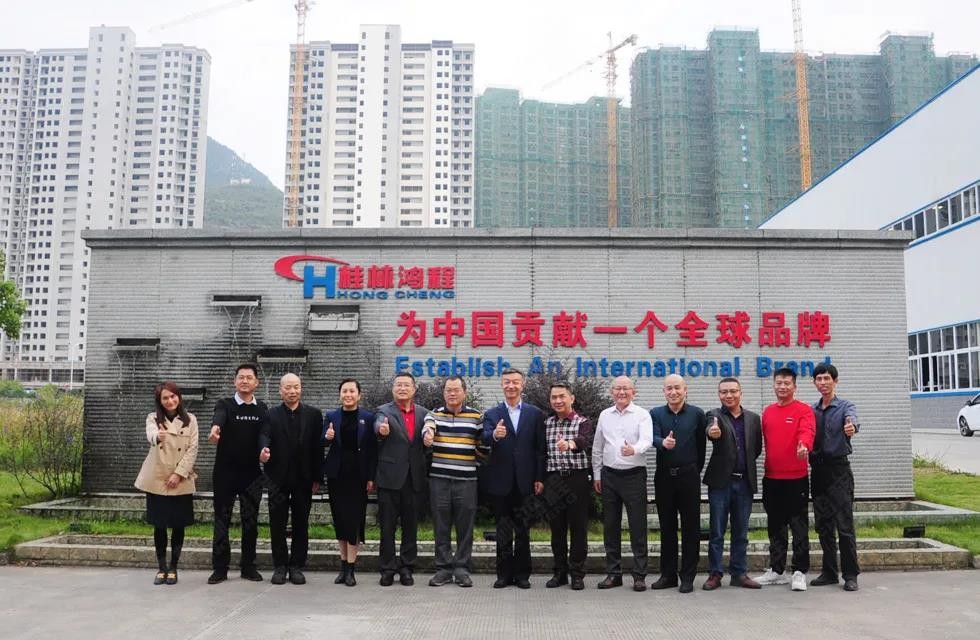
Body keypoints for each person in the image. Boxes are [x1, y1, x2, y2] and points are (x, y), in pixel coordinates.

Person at [481, 368, 546, 589]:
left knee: (523, 530)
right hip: (501, 480)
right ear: (502, 385)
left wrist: (539, 477)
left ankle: (523, 574)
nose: (511, 386)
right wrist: (494, 435)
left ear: (522, 384)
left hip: (526, 480)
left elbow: (540, 449)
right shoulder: (492, 413)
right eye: (507, 382)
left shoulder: (534, 413)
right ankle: (503, 574)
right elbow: (484, 438)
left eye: (515, 382)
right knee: (503, 530)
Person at [258, 373, 324, 586]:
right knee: (276, 523)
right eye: (288, 387)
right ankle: (280, 566)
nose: (292, 391)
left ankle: (296, 566)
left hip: (304, 479)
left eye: (296, 387)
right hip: (277, 478)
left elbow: (317, 448)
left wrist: (318, 477)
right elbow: (264, 435)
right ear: (280, 390)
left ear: (301, 388)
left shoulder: (314, 415)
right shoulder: (270, 414)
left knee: (301, 523)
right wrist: (263, 450)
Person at [756, 367, 816, 592]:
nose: (782, 387)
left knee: (798, 526)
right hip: (771, 478)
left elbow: (807, 431)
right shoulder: (768, 412)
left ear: (794, 386)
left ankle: (799, 571)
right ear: (774, 385)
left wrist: (804, 445)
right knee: (775, 525)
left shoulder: (803, 410)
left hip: (796, 478)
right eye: (779, 383)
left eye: (787, 383)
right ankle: (777, 570)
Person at [207, 363, 267, 585]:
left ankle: (248, 566)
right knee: (221, 520)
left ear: (256, 382)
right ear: (235, 381)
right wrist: (215, 429)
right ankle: (219, 568)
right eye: (241, 377)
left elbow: (264, 434)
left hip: (252, 474)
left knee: (250, 521)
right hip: (225, 473)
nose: (244, 381)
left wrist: (264, 449)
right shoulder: (225, 404)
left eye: (249, 377)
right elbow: (219, 418)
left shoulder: (262, 408)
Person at [592, 375, 653, 592]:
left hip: (634, 475)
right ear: (612, 392)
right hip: (609, 476)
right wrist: (597, 474)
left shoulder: (642, 414)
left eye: (626, 388)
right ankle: (613, 573)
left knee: (638, 527)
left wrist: (633, 449)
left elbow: (647, 440)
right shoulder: (604, 415)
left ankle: (639, 575)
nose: (621, 392)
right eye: (617, 388)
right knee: (611, 526)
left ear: (633, 392)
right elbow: (598, 446)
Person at [134, 381, 198, 586]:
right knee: (159, 525)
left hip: (180, 479)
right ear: (159, 401)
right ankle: (161, 568)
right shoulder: (153, 418)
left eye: (173, 396)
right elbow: (151, 434)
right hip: (158, 478)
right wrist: (157, 436)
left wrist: (179, 474)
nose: (170, 401)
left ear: (179, 397)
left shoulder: (190, 420)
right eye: (165, 398)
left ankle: (173, 568)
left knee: (178, 525)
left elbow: (193, 449)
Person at [702, 377, 763, 590]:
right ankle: (715, 574)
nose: (729, 395)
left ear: (740, 392)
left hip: (744, 482)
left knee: (741, 532)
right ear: (719, 394)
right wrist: (713, 432)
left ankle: (739, 573)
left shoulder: (753, 418)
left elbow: (756, 449)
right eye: (724, 392)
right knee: (717, 532)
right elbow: (711, 430)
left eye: (733, 391)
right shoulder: (714, 415)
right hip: (721, 483)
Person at [422, 376, 483, 588]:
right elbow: (427, 428)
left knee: (465, 527)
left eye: (456, 390)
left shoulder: (476, 417)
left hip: (467, 481)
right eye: (448, 390)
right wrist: (428, 435)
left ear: (464, 392)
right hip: (439, 480)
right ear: (444, 393)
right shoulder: (434, 414)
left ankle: (462, 569)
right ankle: (443, 569)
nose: (452, 393)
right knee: (441, 526)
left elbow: (484, 447)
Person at [650, 374, 707, 593]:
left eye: (677, 388)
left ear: (685, 390)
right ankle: (668, 575)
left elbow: (701, 447)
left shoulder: (697, 414)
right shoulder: (655, 413)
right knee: (667, 527)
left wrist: (692, 469)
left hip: (689, 477)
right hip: (664, 477)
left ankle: (688, 576)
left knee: (691, 528)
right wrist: (662, 442)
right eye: (669, 388)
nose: (673, 392)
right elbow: (652, 437)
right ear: (663, 392)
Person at [374, 372, 429, 586]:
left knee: (410, 526)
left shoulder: (424, 413)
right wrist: (382, 430)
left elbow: (428, 439)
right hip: (389, 479)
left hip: (414, 479)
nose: (402, 388)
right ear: (393, 389)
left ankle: (407, 567)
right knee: (387, 527)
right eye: (399, 385)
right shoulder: (383, 411)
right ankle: (387, 568)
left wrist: (430, 439)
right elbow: (378, 425)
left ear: (414, 389)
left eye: (407, 385)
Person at [809, 363, 861, 592]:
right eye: (819, 379)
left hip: (839, 471)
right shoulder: (812, 410)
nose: (823, 383)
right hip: (817, 471)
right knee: (823, 525)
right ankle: (829, 572)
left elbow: (852, 421)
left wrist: (851, 428)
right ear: (814, 382)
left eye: (827, 378)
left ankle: (850, 574)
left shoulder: (845, 406)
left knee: (844, 525)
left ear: (835, 381)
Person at [323, 378, 377, 587]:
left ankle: (352, 569)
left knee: (354, 521)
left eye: (352, 391)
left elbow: (372, 450)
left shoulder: (368, 418)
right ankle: (343, 566)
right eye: (344, 391)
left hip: (358, 476)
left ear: (359, 395)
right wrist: (327, 437)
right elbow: (322, 441)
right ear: (340, 394)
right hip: (337, 476)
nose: (348, 394)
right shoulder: (331, 416)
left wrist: (371, 477)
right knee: (340, 520)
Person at [542, 382, 594, 591]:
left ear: (571, 398)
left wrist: (569, 445)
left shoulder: (583, 422)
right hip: (554, 479)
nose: (558, 400)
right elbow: (540, 453)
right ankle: (560, 573)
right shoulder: (546, 424)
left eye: (562, 396)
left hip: (577, 479)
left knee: (578, 528)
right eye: (554, 397)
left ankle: (577, 574)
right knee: (557, 529)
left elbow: (583, 441)